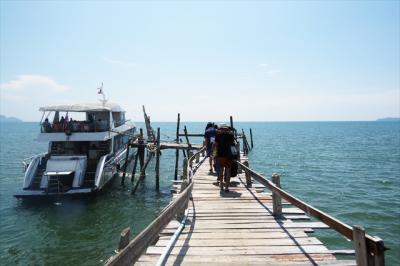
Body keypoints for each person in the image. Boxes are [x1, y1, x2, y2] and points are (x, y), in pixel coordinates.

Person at [214, 123, 235, 192]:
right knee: (228, 171)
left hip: (220, 155)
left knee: (221, 170)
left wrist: (214, 153)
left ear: (220, 129)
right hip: (229, 155)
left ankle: (221, 186)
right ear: (227, 129)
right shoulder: (231, 135)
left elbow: (216, 145)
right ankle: (226, 187)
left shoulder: (218, 135)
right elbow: (233, 146)